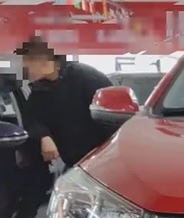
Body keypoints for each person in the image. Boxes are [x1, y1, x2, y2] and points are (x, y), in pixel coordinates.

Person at [15, 36, 116, 168]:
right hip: (76, 164)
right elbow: (31, 118)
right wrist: (44, 136)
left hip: (103, 161)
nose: (24, 66)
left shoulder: (87, 77)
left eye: (29, 60)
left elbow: (113, 115)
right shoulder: (41, 89)